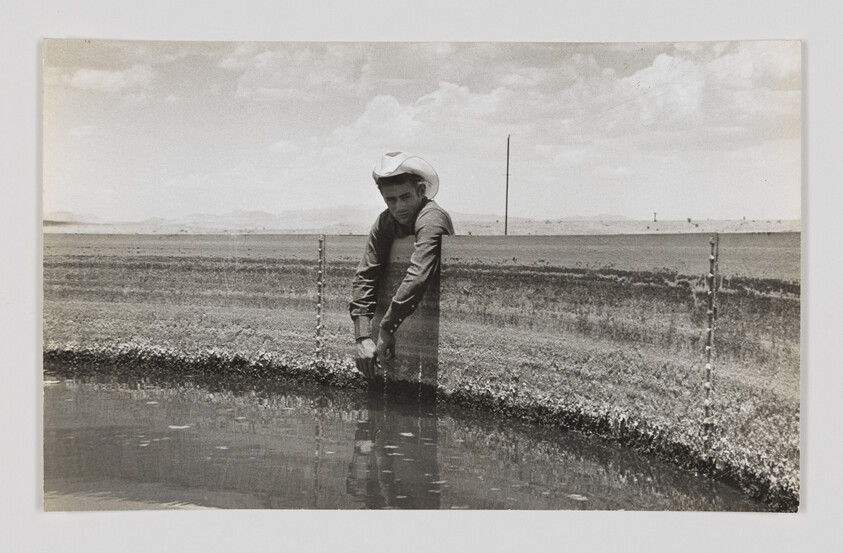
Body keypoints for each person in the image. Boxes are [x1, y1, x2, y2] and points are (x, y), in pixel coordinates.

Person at [349, 152, 454, 380]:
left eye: (405, 197)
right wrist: (362, 336)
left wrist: (386, 328)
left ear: (421, 191)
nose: (398, 207)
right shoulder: (385, 221)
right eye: (391, 200)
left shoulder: (432, 217)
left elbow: (418, 275)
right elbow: (366, 275)